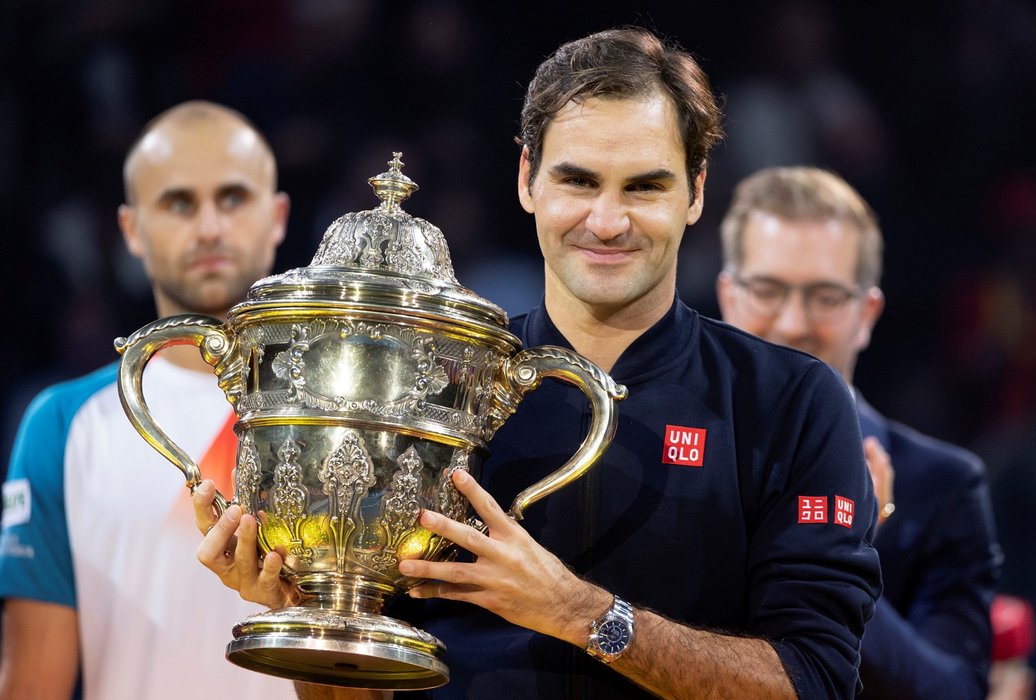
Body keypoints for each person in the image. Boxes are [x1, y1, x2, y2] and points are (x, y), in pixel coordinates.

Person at [195, 28, 882, 699]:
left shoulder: (791, 400)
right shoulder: (434, 383)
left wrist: (582, 614)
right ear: (527, 179)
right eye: (578, 180)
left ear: (696, 192)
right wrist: (308, 619)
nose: (607, 221)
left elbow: (817, 680)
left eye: (644, 187)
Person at [0, 101, 295, 699]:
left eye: (233, 198)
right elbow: (32, 685)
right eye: (179, 203)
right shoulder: (61, 427)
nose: (210, 226)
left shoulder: (347, 416)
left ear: (277, 217)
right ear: (131, 229)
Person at [715, 165, 1002, 699]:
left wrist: (843, 561)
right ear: (728, 297)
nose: (793, 322)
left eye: (825, 297)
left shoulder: (944, 486)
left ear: (867, 313)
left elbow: (955, 690)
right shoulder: (663, 448)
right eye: (768, 290)